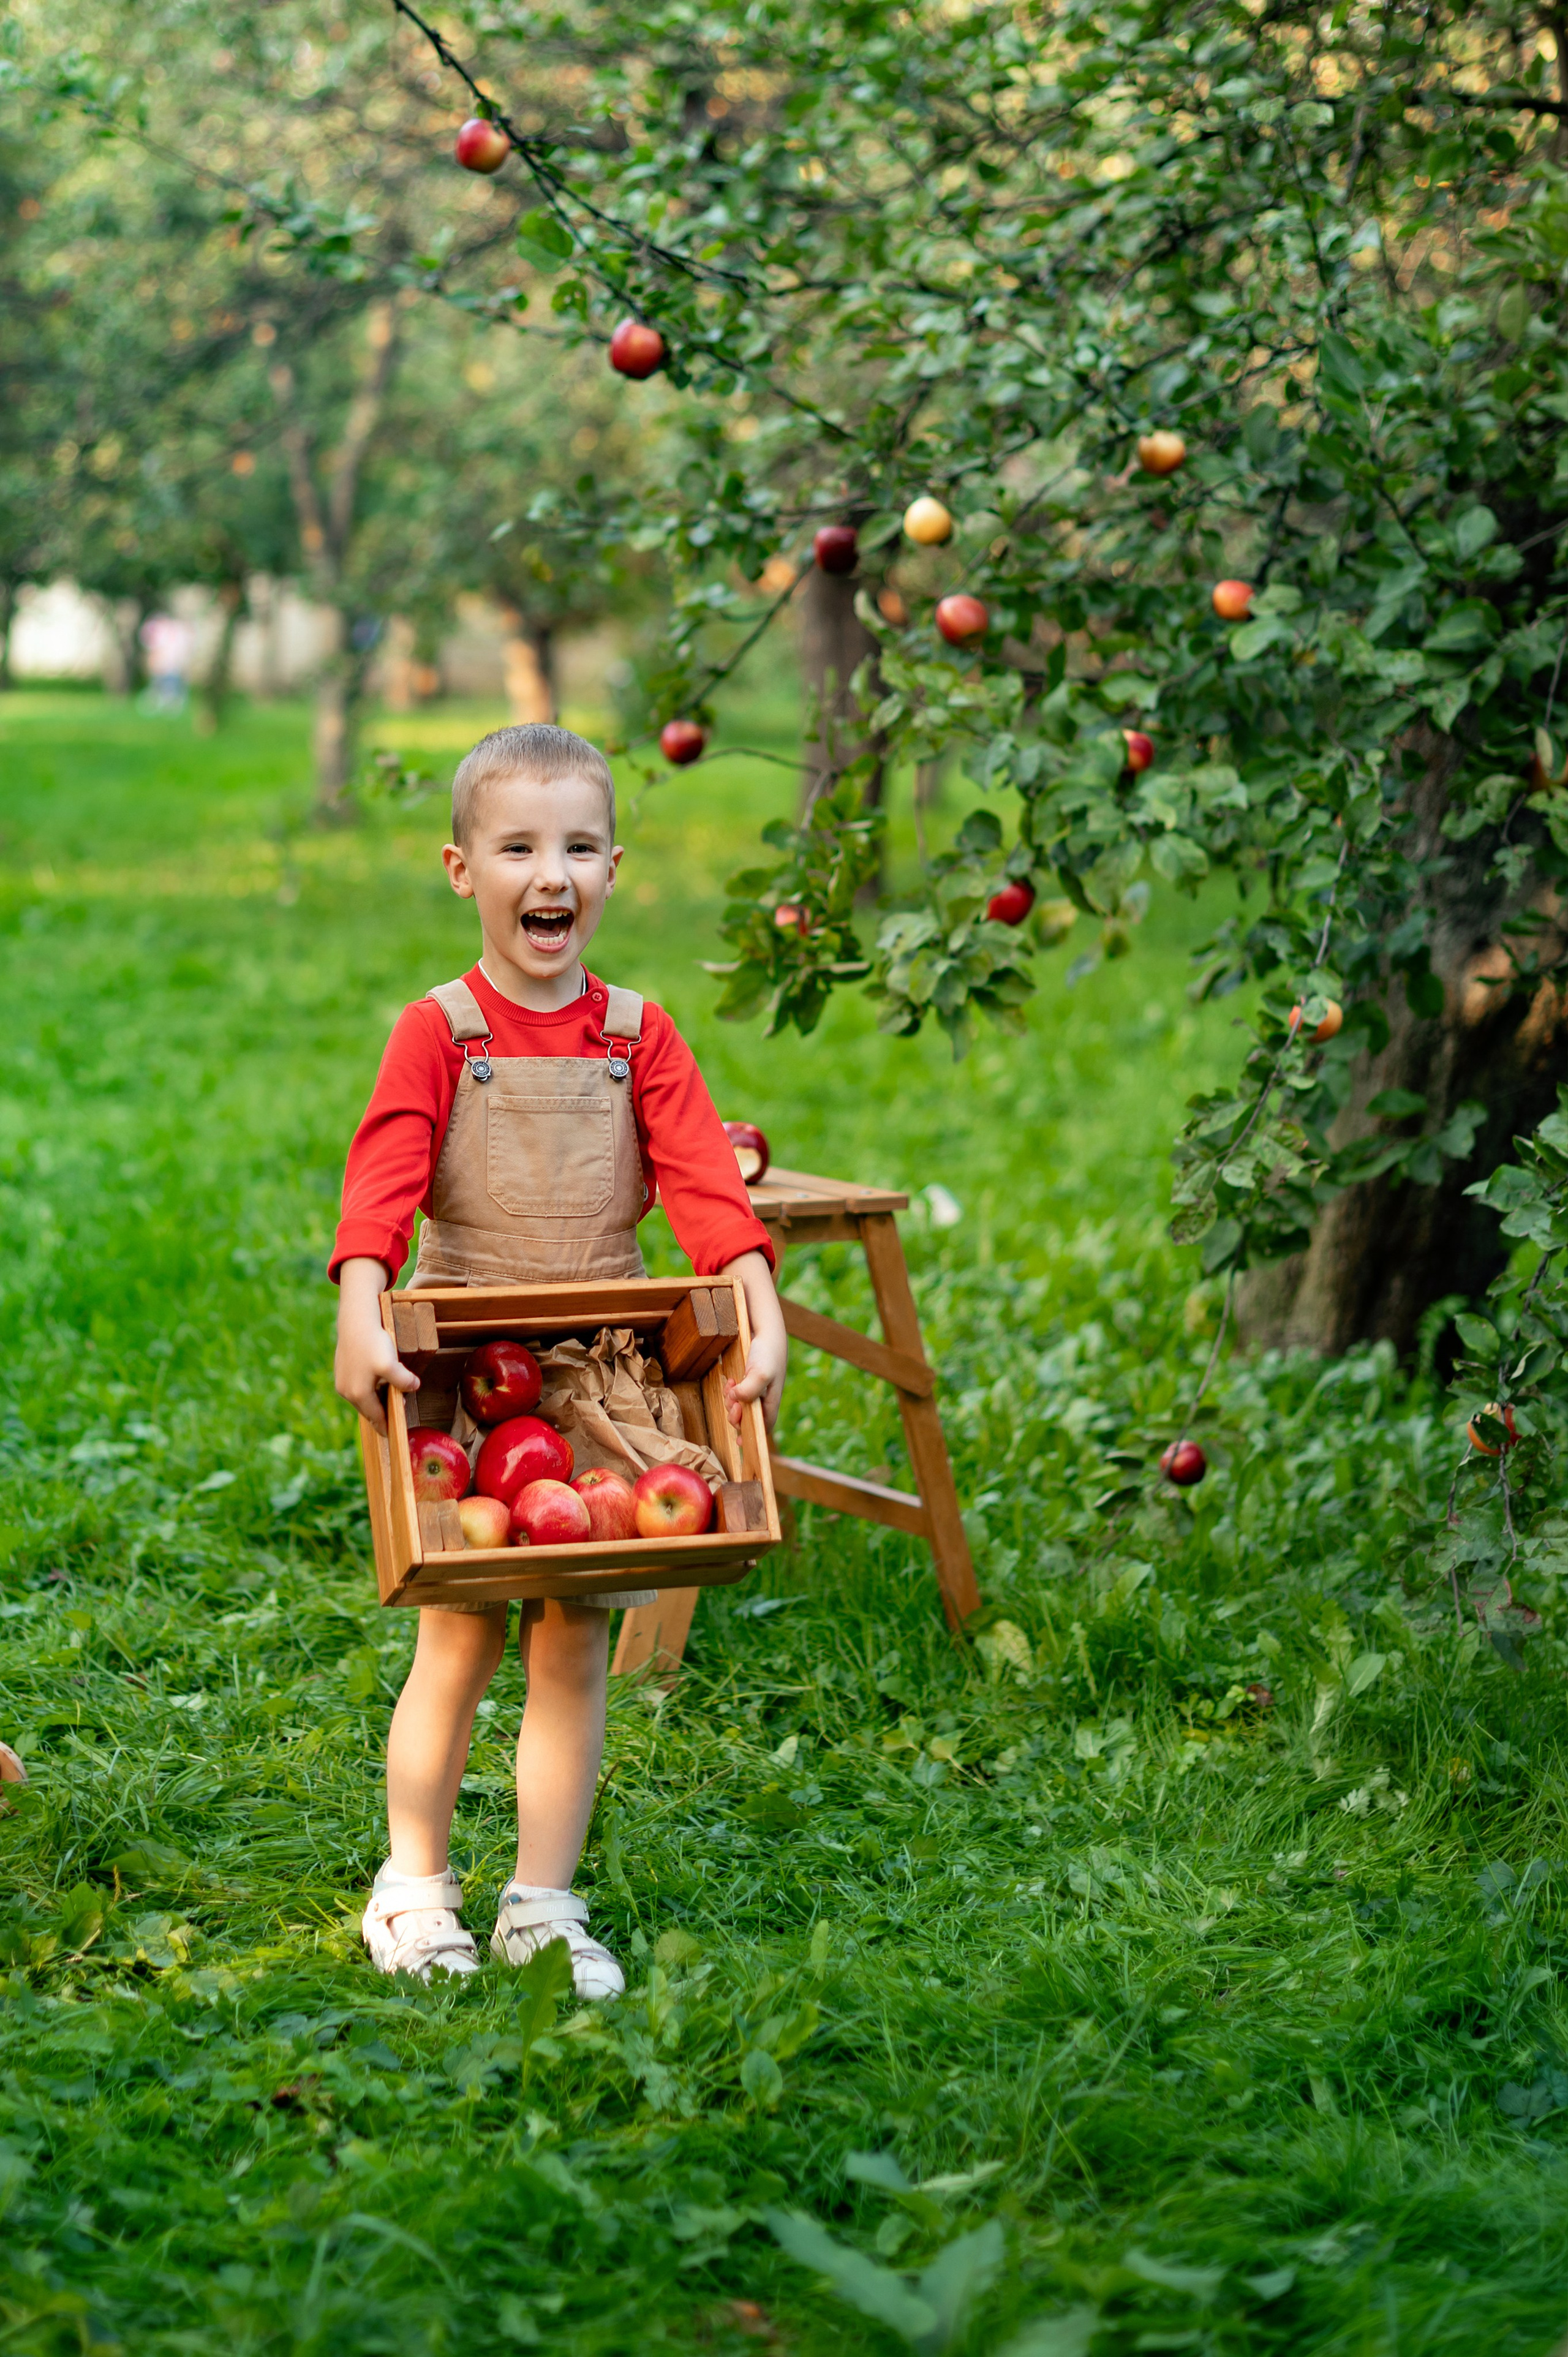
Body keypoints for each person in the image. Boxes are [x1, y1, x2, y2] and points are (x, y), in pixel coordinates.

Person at [331, 723, 787, 1996]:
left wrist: (755, 1299)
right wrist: (361, 1299)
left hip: (594, 1371)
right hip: (469, 1372)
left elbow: (701, 1183)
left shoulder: (638, 1033)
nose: (552, 874)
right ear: (461, 868)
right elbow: (385, 1171)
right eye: (520, 846)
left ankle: (542, 1897)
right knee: (460, 1641)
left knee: (575, 1642)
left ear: (613, 867)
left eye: (578, 846)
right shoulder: (440, 1030)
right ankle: (413, 1884)